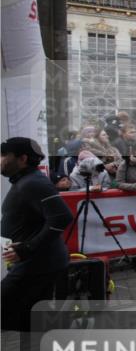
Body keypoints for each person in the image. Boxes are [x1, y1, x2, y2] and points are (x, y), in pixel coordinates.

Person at [1, 138, 73, 331]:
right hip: (34, 265)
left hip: (36, 267)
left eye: (3, 155)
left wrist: (26, 249)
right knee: (31, 325)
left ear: (22, 158)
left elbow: (62, 218)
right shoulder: (26, 181)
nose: (0, 160)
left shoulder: (32, 183)